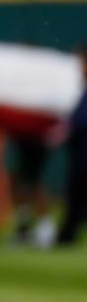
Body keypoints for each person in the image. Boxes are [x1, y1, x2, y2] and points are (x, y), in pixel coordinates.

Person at [58, 47, 87, 245]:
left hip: (84, 156)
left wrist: (69, 129)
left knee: (77, 196)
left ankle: (66, 235)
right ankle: (66, 234)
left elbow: (81, 121)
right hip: (79, 154)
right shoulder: (81, 90)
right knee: (75, 198)